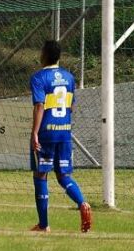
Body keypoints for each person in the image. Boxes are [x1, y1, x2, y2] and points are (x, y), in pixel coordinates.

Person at [29, 40, 92, 233]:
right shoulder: (69, 77)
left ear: (45, 54)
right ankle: (82, 203)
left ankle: (43, 224)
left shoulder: (39, 77)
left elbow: (40, 105)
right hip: (64, 131)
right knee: (63, 175)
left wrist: (34, 133)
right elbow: (71, 106)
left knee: (41, 174)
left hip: (46, 132)